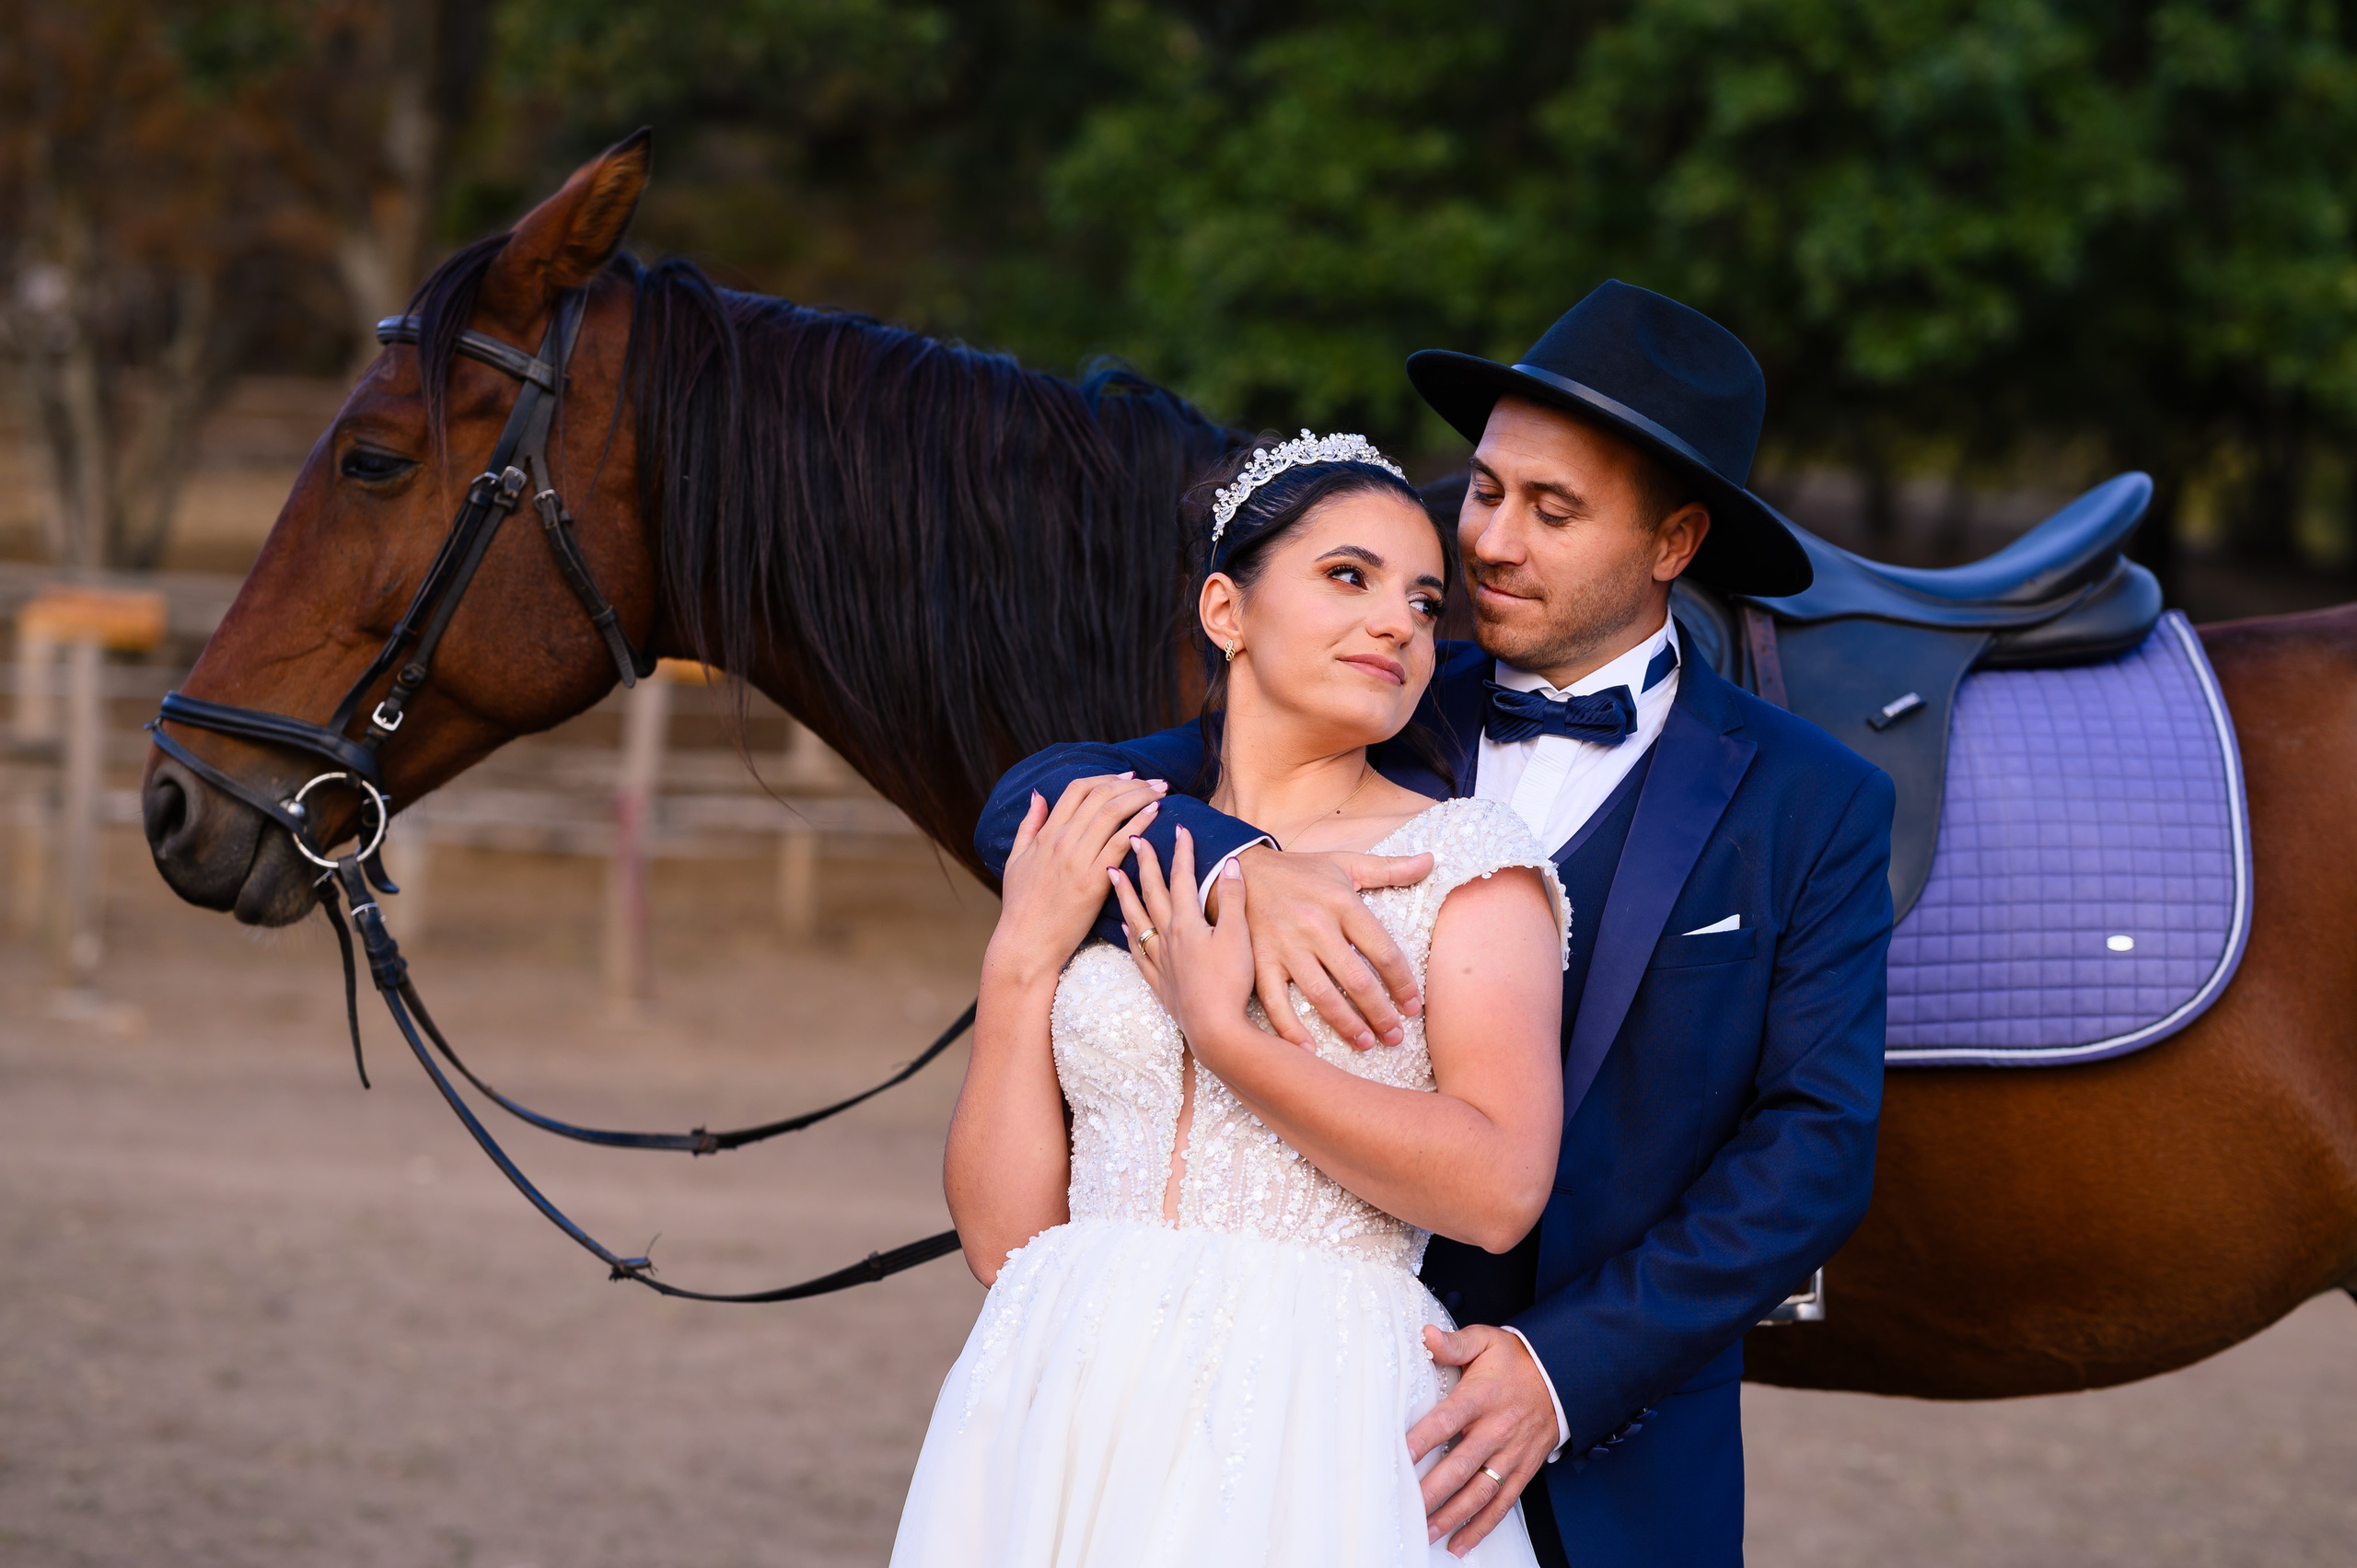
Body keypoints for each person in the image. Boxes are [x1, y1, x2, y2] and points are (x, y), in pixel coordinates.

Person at [972, 281, 1896, 1566]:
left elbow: (1814, 1150)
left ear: (1675, 541)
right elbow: (1038, 792)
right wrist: (1242, 864)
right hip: (1292, 1398)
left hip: (1613, 1437)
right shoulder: (1380, 688)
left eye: (1551, 510)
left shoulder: (1815, 800)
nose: (1489, 543)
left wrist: (1564, 1366)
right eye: (1487, 488)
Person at [892, 433, 1575, 1565]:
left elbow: (1500, 1188)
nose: (1401, 623)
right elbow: (1006, 1240)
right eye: (1347, 577)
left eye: (1422, 600)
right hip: (1058, 1381)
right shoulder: (1113, 837)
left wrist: (1226, 1034)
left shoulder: (1463, 862)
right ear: (1226, 608)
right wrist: (1017, 964)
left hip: (1311, 1405)